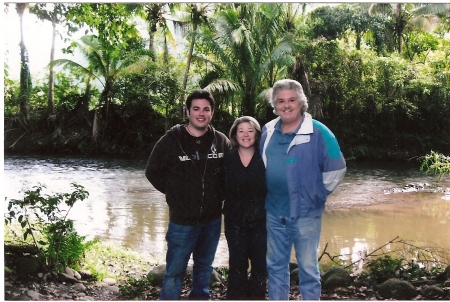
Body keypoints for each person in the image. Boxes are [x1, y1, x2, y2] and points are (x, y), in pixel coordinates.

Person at [260, 79, 346, 300]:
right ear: (275, 104)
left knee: (308, 269)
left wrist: (317, 194)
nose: (286, 105)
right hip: (274, 212)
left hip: (306, 214)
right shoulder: (268, 130)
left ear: (301, 102)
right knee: (276, 267)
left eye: (291, 100)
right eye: (281, 101)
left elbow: (336, 169)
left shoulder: (319, 132)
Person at [145, 89, 231, 300]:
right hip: (182, 222)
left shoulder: (221, 141)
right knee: (174, 271)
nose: (201, 113)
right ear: (188, 111)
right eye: (196, 109)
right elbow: (152, 171)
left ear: (212, 112)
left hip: (211, 221)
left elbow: (230, 175)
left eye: (206, 109)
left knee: (204, 269)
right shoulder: (171, 140)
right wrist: (176, 193)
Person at [223, 116, 267, 300]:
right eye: (241, 131)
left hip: (261, 222)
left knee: (259, 267)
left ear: (257, 135)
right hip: (235, 223)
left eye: (250, 130)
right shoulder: (227, 159)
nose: (246, 135)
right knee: (237, 266)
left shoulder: (265, 157)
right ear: (234, 134)